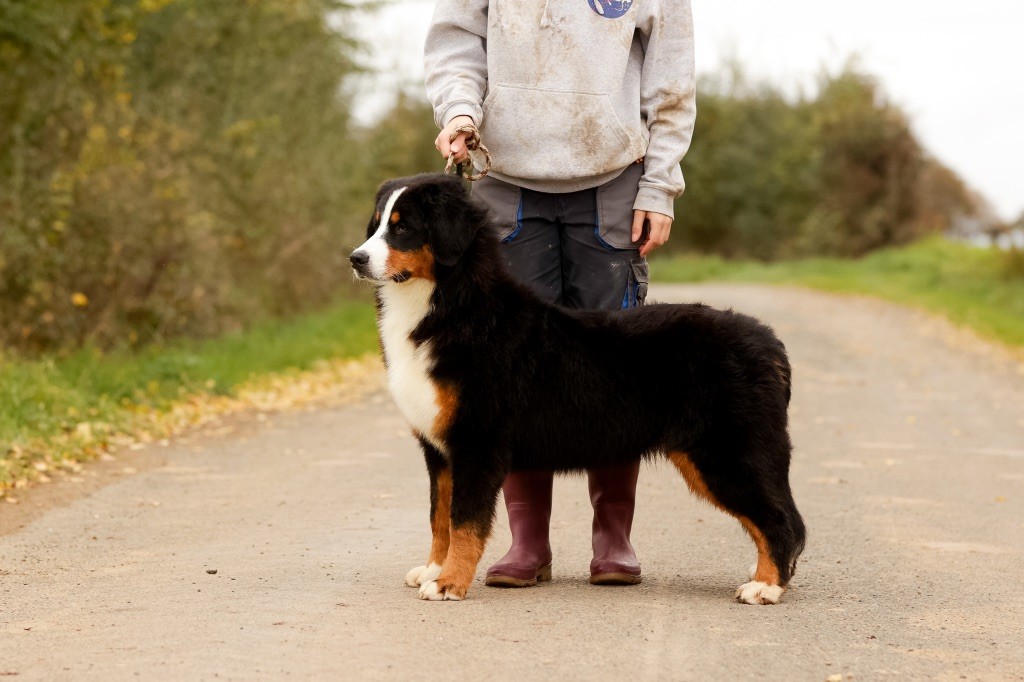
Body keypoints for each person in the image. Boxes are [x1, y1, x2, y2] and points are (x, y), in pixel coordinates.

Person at [424, 0, 696, 586]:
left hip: (613, 178)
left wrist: (660, 187)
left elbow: (671, 84)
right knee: (504, 375)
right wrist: (460, 111)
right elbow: (455, 41)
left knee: (617, 370)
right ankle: (527, 544)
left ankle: (613, 538)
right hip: (506, 181)